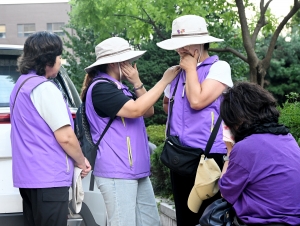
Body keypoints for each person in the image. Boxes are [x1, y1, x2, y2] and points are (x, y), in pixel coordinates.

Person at [81, 37, 179, 226]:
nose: (131, 64)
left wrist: (137, 81)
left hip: (137, 170)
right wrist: (165, 80)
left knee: (150, 223)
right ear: (113, 63)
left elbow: (148, 110)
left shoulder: (119, 88)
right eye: (126, 60)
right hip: (116, 171)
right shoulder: (101, 88)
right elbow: (136, 110)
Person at [157, 15, 233, 225]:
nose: (180, 50)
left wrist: (191, 70)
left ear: (200, 43)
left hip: (209, 158)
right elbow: (167, 104)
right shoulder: (176, 73)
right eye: (177, 46)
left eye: (185, 45)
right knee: (185, 217)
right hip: (180, 156)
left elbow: (197, 101)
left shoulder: (219, 68)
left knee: (209, 218)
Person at [10, 31, 91, 226]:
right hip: (49, 178)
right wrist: (81, 161)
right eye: (59, 56)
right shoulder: (44, 88)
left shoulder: (20, 85)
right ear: (48, 60)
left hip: (28, 177)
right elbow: (65, 137)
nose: (60, 61)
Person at [219, 82, 300, 225]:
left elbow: (225, 192)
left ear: (237, 118)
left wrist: (229, 150)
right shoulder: (288, 138)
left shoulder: (245, 148)